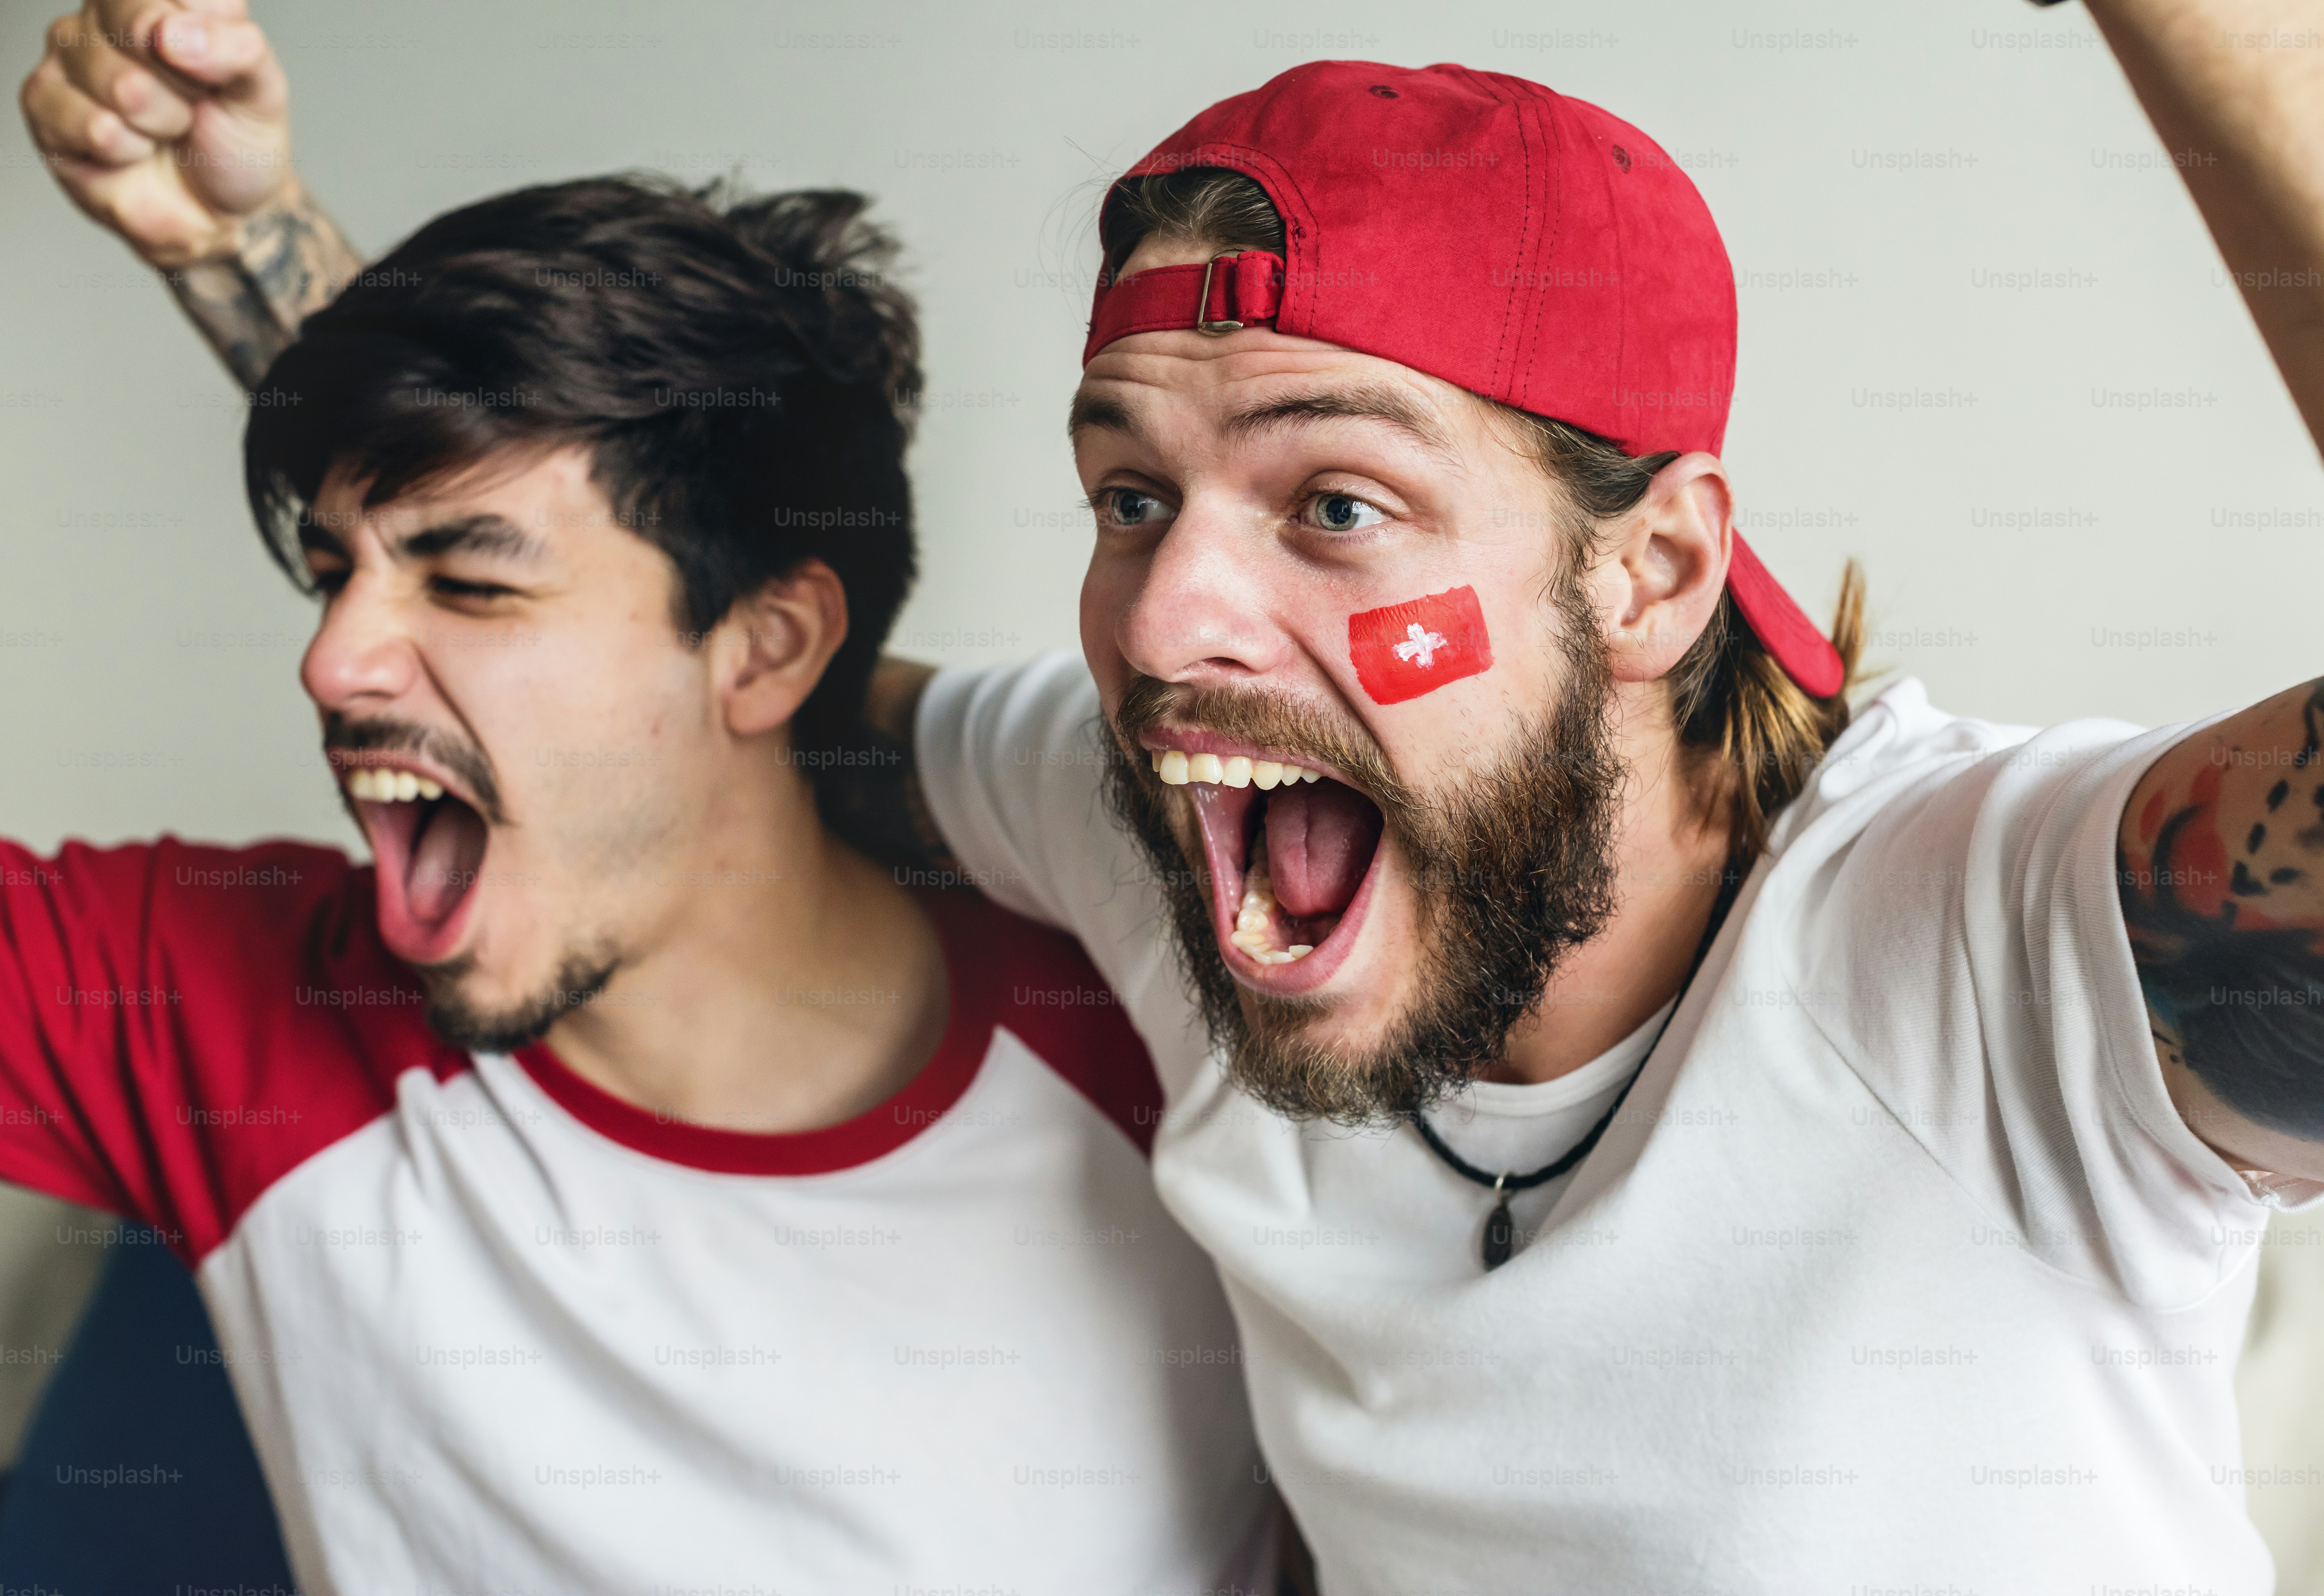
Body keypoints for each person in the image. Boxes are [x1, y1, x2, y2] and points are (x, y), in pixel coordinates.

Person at [34, 3, 2324, 1594]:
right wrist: (264, 260)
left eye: (1334, 503)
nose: (1164, 623)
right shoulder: (1160, 837)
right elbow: (705, 636)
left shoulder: (1995, 945)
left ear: (1651, 571)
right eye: (1131, 495)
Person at [10, 4, 1269, 1593]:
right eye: (332, 575)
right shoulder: (210, 1004)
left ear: (768, 646)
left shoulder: (1161, 1030)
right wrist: (240, 244)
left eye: (469, 584)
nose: (332, 661)